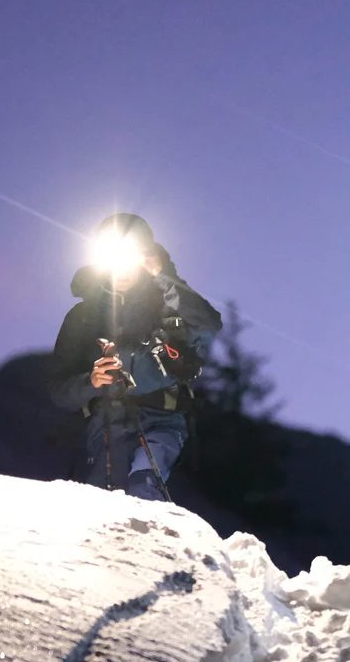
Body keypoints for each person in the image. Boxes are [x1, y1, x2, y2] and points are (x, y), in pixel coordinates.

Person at [50, 213, 222, 501]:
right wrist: (91, 381)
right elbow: (58, 390)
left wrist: (163, 275)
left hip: (162, 419)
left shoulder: (169, 301)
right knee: (104, 498)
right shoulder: (83, 317)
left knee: (145, 485)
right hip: (106, 422)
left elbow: (208, 326)